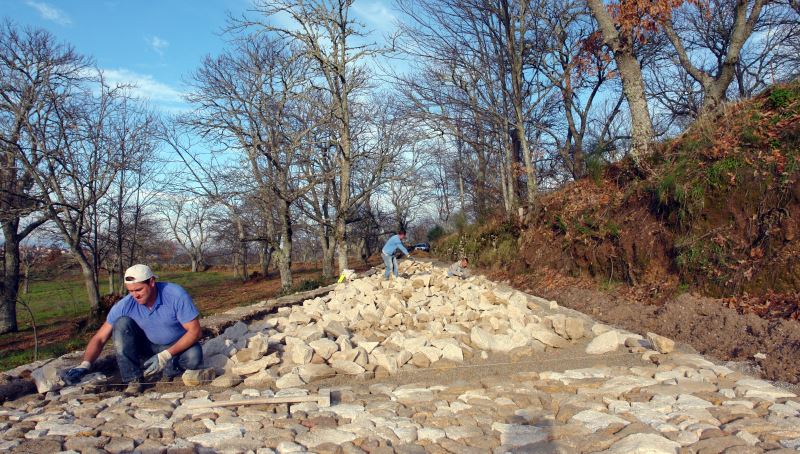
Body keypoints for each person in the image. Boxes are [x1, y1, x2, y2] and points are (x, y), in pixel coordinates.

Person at [62, 264, 203, 393]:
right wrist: (85, 365)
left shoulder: (175, 295)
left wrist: (165, 356)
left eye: (139, 289)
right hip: (147, 346)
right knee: (122, 323)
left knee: (193, 358)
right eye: (130, 291)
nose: (135, 295)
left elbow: (195, 331)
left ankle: (167, 368)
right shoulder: (125, 305)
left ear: (152, 282)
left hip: (176, 345)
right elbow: (100, 338)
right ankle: (133, 379)